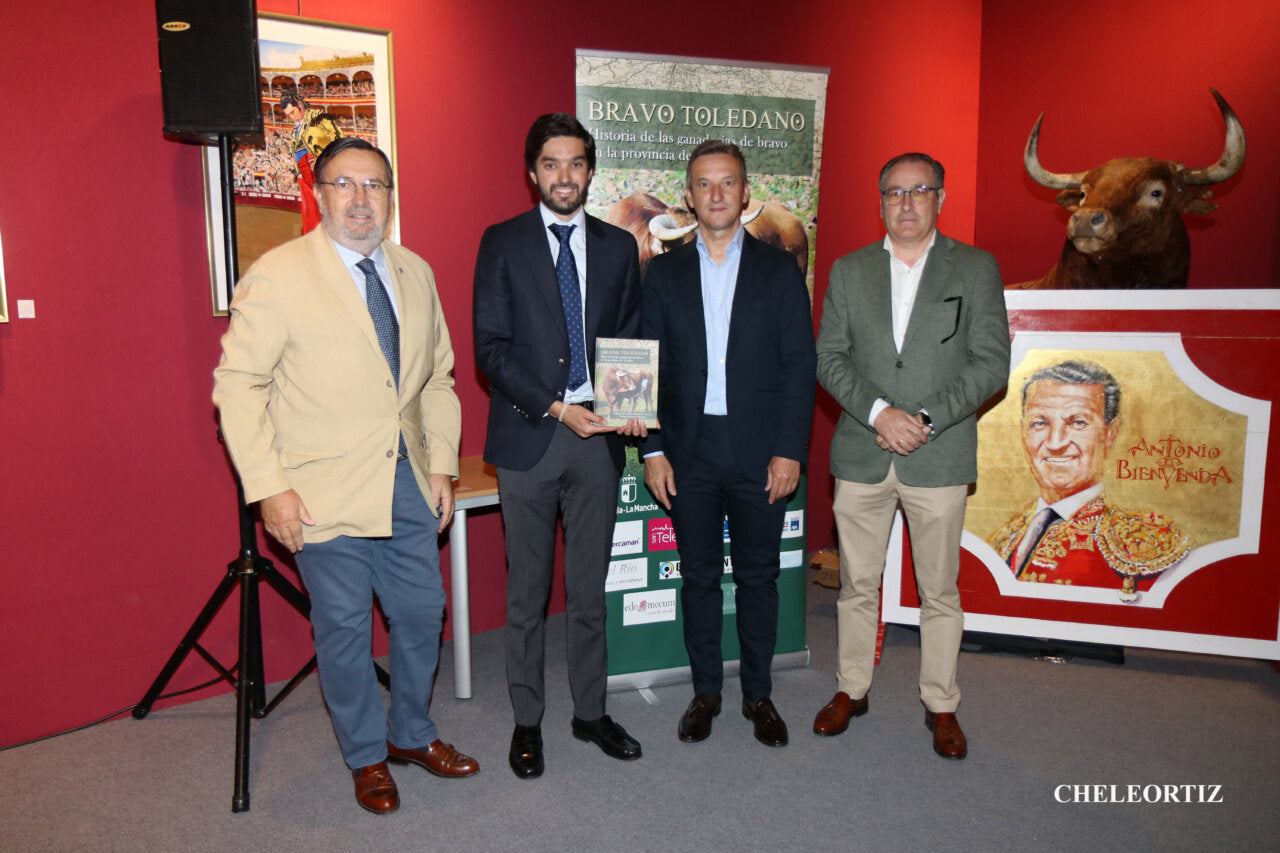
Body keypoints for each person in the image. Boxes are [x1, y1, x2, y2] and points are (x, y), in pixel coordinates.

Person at [213, 137, 476, 815]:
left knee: (423, 612)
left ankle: (411, 733)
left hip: (407, 482)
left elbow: (437, 377)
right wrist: (269, 486)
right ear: (320, 193)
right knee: (345, 629)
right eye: (346, 184)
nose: (362, 199)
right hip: (319, 494)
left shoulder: (414, 272)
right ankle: (365, 754)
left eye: (376, 186)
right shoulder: (277, 274)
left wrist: (443, 462)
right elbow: (239, 387)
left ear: (390, 197)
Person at [812, 152, 1010, 759]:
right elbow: (830, 359)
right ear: (880, 202)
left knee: (939, 592)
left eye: (919, 191)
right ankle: (852, 689)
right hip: (863, 450)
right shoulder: (848, 272)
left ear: (940, 199)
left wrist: (921, 420)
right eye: (894, 193)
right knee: (856, 585)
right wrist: (881, 414)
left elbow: (990, 363)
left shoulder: (975, 269)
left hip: (939, 452)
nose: (906, 203)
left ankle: (941, 703)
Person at [473, 113, 644, 779]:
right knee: (527, 593)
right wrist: (557, 408)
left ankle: (590, 711)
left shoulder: (617, 246)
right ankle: (526, 720)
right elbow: (490, 349)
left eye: (576, 163)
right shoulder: (502, 243)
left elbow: (628, 333)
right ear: (532, 172)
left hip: (597, 443)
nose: (564, 175)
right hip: (531, 436)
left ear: (590, 171)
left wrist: (628, 410)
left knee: (588, 590)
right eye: (551, 163)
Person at [641, 140, 816, 748]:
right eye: (704, 184)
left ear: (745, 194)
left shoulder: (777, 272)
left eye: (728, 183)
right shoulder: (661, 275)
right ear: (688, 197)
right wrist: (653, 448)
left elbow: (799, 364)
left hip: (761, 450)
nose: (716, 194)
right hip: (687, 451)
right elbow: (648, 364)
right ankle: (706, 692)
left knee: (760, 579)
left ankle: (759, 694)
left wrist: (791, 448)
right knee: (697, 579)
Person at [987, 360, 1192, 598]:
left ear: (1110, 434)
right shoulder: (1003, 538)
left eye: (1077, 422)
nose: (1055, 443)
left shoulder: (1146, 544)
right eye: (1040, 423)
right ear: (1024, 433)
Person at [280, 92, 344, 234]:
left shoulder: (319, 117)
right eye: (288, 114)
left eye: (293, 112)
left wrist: (324, 158)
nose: (292, 117)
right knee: (312, 213)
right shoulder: (295, 131)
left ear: (300, 105)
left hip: (321, 170)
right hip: (305, 176)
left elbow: (339, 139)